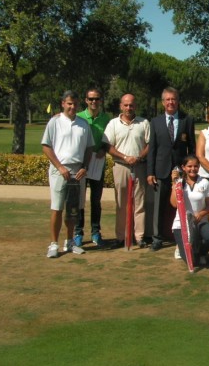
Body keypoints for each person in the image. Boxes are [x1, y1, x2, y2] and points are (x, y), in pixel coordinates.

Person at [42, 90, 94, 258]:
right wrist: (60, 167)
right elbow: (46, 147)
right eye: (69, 103)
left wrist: (84, 167)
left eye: (75, 104)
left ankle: (70, 242)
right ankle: (54, 244)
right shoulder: (54, 122)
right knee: (57, 208)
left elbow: (89, 148)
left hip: (78, 171)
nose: (72, 107)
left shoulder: (83, 124)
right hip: (60, 171)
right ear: (63, 103)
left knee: (73, 209)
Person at [147, 87, 196, 251]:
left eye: (173, 99)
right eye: (167, 99)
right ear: (163, 102)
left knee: (183, 204)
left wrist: (191, 171)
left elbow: (192, 148)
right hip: (161, 171)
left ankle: (182, 234)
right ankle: (157, 238)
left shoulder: (187, 120)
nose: (170, 102)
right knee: (159, 206)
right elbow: (152, 149)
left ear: (178, 101)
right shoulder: (155, 122)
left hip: (182, 172)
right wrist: (150, 172)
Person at [103, 94, 150, 248]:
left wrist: (138, 157)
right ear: (121, 106)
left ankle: (139, 236)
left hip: (139, 166)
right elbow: (108, 146)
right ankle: (121, 237)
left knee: (139, 203)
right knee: (121, 203)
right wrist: (125, 157)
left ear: (135, 106)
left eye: (131, 105)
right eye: (126, 105)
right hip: (121, 166)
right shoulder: (113, 124)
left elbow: (149, 145)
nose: (129, 108)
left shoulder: (143, 122)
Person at [74, 87, 111, 248]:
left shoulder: (106, 118)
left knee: (96, 201)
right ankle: (78, 232)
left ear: (101, 100)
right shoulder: (79, 117)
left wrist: (104, 148)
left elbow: (108, 139)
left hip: (98, 163)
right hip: (81, 164)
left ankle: (96, 232)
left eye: (96, 99)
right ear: (86, 100)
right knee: (79, 200)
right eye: (91, 99)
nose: (94, 102)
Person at [169, 155, 209, 265]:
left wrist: (202, 213)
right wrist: (175, 183)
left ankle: (201, 252)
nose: (193, 169)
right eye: (189, 166)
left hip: (200, 221)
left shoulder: (205, 183)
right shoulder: (179, 182)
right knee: (192, 261)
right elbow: (174, 204)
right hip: (182, 223)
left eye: (195, 166)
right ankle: (184, 248)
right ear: (183, 167)